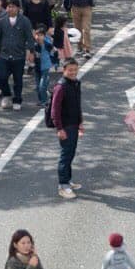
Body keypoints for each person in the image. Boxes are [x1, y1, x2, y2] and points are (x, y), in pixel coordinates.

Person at [0, 0, 35, 110]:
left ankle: (17, 100)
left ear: (18, 8)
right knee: (2, 77)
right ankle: (6, 96)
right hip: (4, 55)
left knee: (18, 79)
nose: (10, 9)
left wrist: (31, 51)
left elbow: (30, 37)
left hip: (19, 55)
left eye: (13, 7)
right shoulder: (2, 21)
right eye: (9, 7)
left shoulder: (25, 21)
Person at [50, 58, 84, 198]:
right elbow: (55, 110)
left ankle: (68, 181)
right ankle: (63, 185)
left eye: (75, 70)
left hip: (74, 124)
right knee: (65, 155)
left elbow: (77, 104)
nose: (73, 72)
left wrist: (80, 122)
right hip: (65, 126)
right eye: (70, 70)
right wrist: (59, 128)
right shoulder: (61, 87)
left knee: (70, 153)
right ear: (64, 70)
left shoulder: (75, 83)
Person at [31, 26, 58, 107]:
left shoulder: (47, 45)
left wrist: (55, 62)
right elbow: (32, 54)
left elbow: (55, 52)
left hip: (45, 66)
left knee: (42, 86)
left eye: (40, 35)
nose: (38, 37)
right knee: (37, 86)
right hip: (37, 67)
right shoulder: (34, 45)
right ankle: (41, 100)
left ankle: (44, 101)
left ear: (44, 36)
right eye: (37, 35)